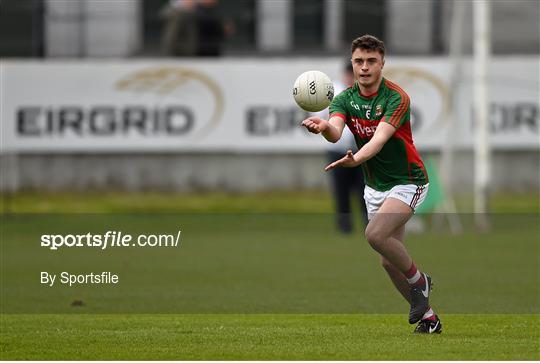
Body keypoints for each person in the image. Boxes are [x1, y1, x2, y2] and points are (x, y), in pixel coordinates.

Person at [301, 35, 441, 334]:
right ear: (352, 64)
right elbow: (336, 132)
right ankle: (428, 318)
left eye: (371, 61)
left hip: (408, 180)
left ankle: (420, 282)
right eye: (358, 61)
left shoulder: (396, 97)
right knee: (389, 263)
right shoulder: (343, 99)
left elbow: (377, 140)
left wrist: (356, 160)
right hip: (375, 185)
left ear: (382, 63)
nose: (364, 67)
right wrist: (324, 127)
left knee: (375, 234)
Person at [319, 62, 368, 233]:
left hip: (361, 152)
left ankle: (369, 227)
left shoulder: (365, 93)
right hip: (337, 151)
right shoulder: (331, 92)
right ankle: (344, 228)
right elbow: (319, 116)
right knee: (341, 191)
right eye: (349, 73)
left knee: (365, 191)